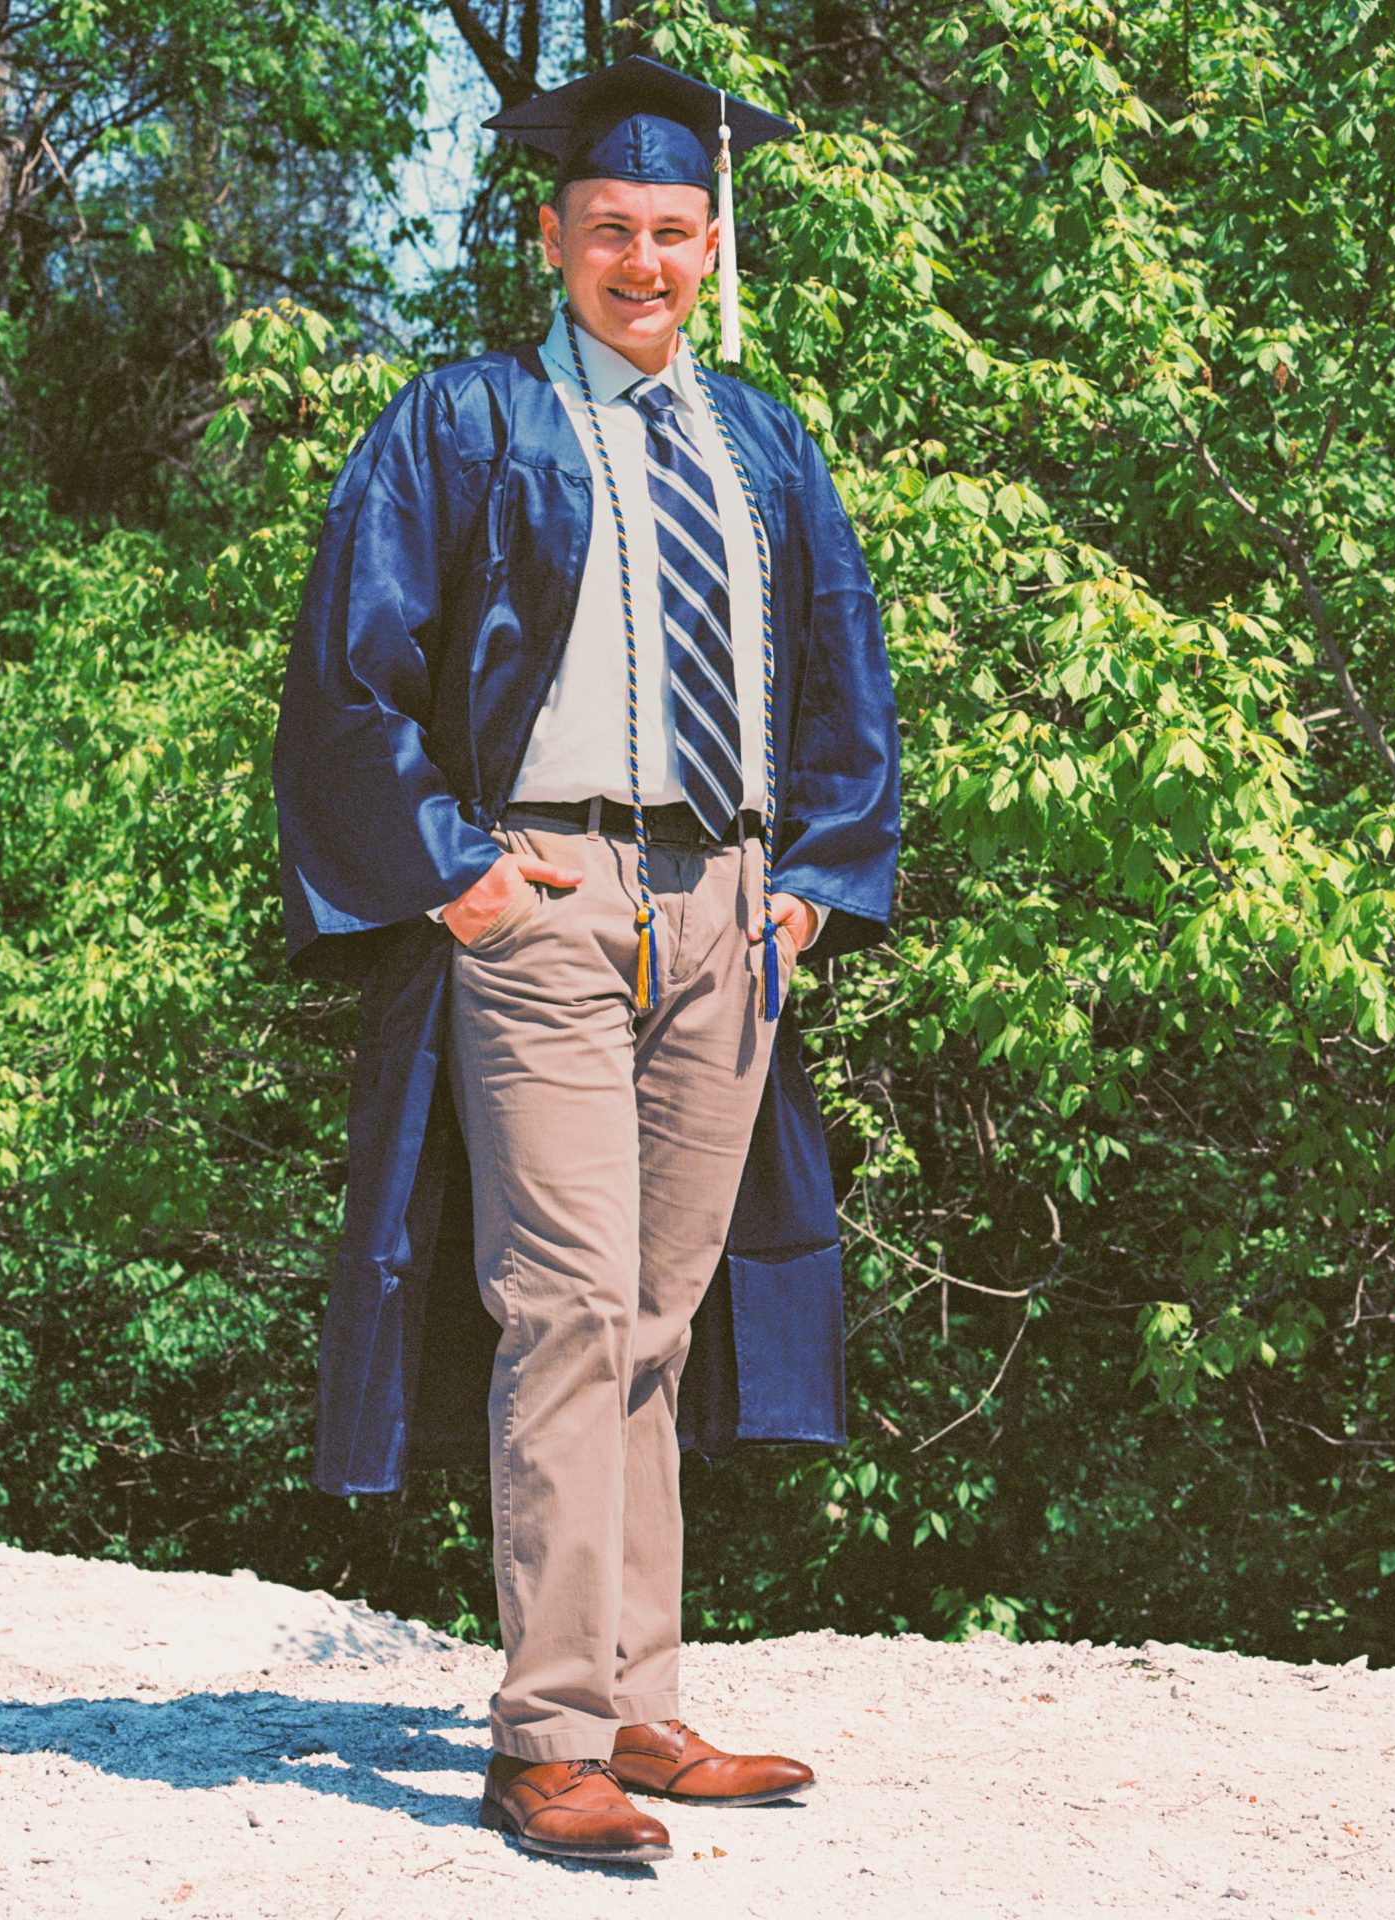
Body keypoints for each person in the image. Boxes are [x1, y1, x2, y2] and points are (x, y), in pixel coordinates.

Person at [272, 53, 900, 1865]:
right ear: (551, 236)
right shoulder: (466, 424)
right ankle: (544, 1731)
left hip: (724, 912)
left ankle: (641, 1702)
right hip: (544, 904)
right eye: (611, 231)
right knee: (562, 1302)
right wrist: (458, 875)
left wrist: (810, 884)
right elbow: (350, 676)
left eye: (673, 234)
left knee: (656, 1318)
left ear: (714, 244)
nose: (644, 263)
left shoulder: (760, 442)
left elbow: (844, 687)